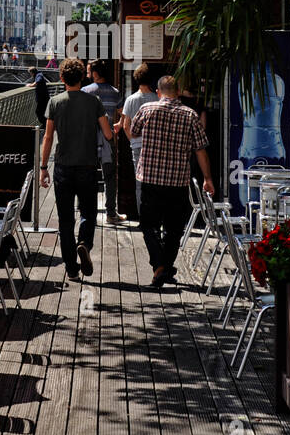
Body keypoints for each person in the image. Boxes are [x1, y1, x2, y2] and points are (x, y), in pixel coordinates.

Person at [132, 76, 215, 288]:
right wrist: (207, 178)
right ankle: (165, 268)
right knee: (174, 229)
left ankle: (159, 266)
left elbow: (133, 132)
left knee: (148, 225)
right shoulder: (190, 115)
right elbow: (200, 150)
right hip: (177, 182)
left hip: (150, 179)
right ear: (177, 92)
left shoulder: (147, 109)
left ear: (159, 92)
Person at [40, 58, 114, 280]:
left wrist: (44, 167)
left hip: (62, 167)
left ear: (62, 78)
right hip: (88, 166)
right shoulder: (94, 101)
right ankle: (84, 242)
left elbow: (48, 136)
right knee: (88, 212)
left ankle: (71, 268)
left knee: (64, 219)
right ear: (83, 77)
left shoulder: (55, 102)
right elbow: (108, 134)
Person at [82, 60, 124, 224]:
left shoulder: (86, 91)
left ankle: (85, 211)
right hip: (108, 139)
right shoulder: (115, 92)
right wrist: (119, 125)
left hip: (90, 140)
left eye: (88, 71)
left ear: (95, 74)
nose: (87, 75)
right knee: (110, 178)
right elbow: (122, 112)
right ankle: (110, 213)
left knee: (87, 176)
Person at [120, 63, 158, 218]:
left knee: (139, 183)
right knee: (155, 182)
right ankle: (156, 217)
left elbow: (125, 125)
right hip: (155, 146)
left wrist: (132, 140)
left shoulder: (130, 99)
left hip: (137, 145)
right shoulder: (157, 99)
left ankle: (144, 217)